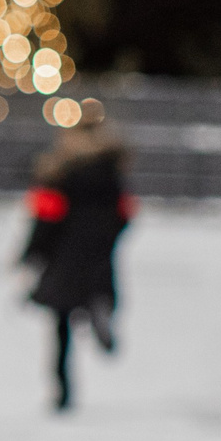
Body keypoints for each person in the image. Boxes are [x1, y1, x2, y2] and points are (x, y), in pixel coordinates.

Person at [19, 105, 134, 411]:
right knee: (94, 294)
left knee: (61, 326)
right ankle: (99, 309)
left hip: (64, 256)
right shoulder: (111, 171)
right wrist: (106, 239)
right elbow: (125, 214)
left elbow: (46, 218)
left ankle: (63, 391)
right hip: (98, 253)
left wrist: (32, 253)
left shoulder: (59, 170)